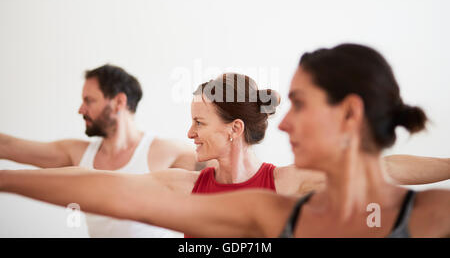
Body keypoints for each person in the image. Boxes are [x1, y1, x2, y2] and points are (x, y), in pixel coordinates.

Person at [1, 45, 449, 237]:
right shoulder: (188, 187)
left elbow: (388, 168)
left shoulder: (285, 186)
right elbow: (103, 185)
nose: (189, 133)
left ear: (234, 129)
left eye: (198, 122)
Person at [0, 64, 205, 237]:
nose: (81, 109)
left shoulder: (168, 152)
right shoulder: (77, 153)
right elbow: (9, 146)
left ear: (119, 102)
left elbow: (226, 176)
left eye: (89, 100)